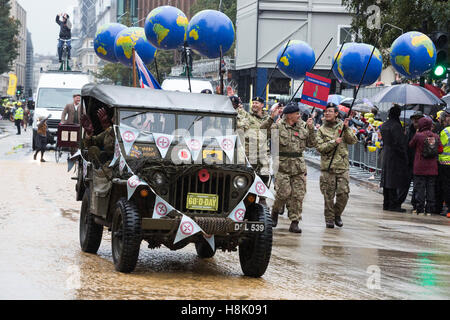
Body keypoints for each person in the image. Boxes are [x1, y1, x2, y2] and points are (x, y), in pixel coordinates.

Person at [269, 102, 316, 233]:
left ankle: (294, 222)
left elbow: (312, 144)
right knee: (283, 193)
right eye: (297, 114)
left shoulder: (303, 127)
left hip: (298, 166)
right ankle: (275, 211)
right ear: (289, 115)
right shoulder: (278, 126)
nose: (299, 115)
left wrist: (311, 129)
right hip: (282, 165)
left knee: (298, 195)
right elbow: (269, 140)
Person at [316, 103, 358, 228]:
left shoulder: (342, 127)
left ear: (336, 113)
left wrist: (346, 128)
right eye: (325, 111)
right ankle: (329, 218)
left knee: (343, 194)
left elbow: (353, 140)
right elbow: (320, 148)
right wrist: (334, 142)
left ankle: (337, 214)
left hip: (342, 166)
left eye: (330, 111)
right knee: (328, 195)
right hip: (328, 167)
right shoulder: (321, 130)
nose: (327, 113)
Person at [238, 96, 277, 205]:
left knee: (264, 175)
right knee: (249, 175)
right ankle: (247, 196)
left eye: (257, 103)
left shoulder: (268, 119)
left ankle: (262, 198)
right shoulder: (246, 116)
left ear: (262, 105)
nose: (254, 105)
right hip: (249, 152)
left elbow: (271, 134)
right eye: (253, 103)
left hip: (263, 152)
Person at [409, 117, 443, 215]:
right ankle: (429, 209)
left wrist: (416, 134)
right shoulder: (436, 136)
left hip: (419, 166)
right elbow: (440, 150)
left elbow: (411, 145)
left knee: (420, 188)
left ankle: (419, 208)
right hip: (432, 167)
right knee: (430, 188)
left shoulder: (418, 136)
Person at [380, 105, 409, 212]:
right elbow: (399, 143)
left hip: (386, 153)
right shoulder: (396, 126)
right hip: (395, 156)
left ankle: (386, 203)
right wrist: (404, 136)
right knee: (393, 181)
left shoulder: (385, 124)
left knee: (386, 180)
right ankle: (393, 204)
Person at [398, 111, 423, 210]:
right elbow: (406, 145)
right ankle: (399, 201)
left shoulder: (423, 131)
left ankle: (416, 204)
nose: (416, 120)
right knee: (404, 184)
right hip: (408, 162)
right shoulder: (408, 131)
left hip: (419, 162)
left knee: (418, 185)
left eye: (419, 118)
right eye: (415, 118)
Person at [436, 107, 450, 218]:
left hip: (445, 163)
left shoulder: (445, 131)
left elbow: (439, 147)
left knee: (446, 186)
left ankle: (448, 209)